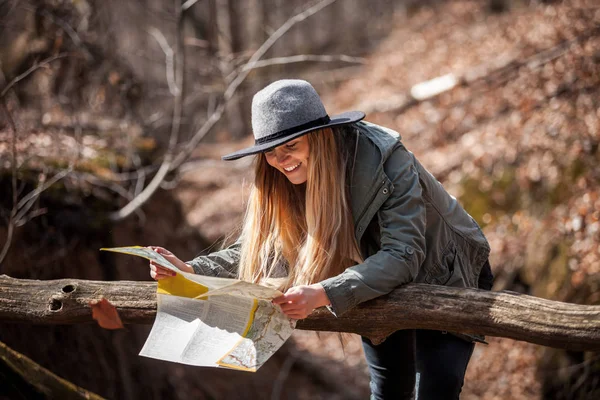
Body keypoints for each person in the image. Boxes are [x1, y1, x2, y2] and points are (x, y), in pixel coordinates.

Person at [149, 79, 494, 399]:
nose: (281, 161)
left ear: (320, 136)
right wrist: (191, 269)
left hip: (444, 272)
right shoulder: (285, 178)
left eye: (291, 146)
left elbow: (403, 254)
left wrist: (323, 292)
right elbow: (268, 251)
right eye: (270, 151)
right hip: (369, 281)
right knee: (390, 390)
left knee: (436, 388)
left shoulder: (384, 157)